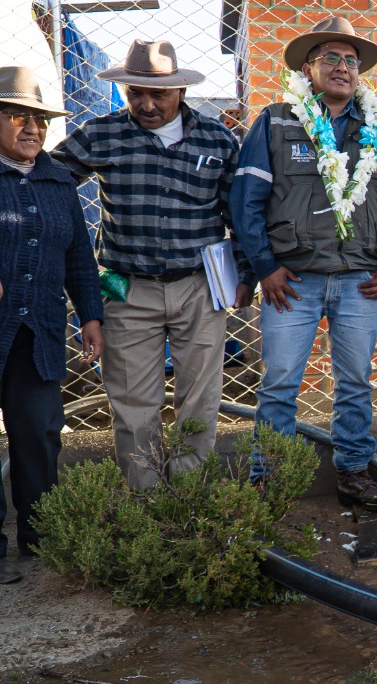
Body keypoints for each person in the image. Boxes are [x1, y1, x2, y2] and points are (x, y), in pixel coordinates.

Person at [229, 17, 377, 510]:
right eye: (330, 58)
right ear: (307, 68)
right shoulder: (277, 121)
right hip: (292, 281)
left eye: (350, 61)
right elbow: (246, 202)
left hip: (361, 280)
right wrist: (264, 267)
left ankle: (354, 474)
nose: (342, 68)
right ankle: (268, 482)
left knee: (355, 383)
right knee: (279, 384)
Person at [52, 40, 247, 489]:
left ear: (180, 91)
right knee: (133, 405)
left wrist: (246, 275)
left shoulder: (216, 139)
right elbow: (46, 180)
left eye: (158, 94)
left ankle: (188, 500)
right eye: (135, 93)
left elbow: (239, 214)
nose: (146, 105)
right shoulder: (100, 135)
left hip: (200, 287)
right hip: (127, 289)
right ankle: (148, 506)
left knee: (199, 402)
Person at [0, 67, 104, 583]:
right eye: (18, 116)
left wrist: (91, 316)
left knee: (39, 431)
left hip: (38, 329)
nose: (33, 128)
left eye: (39, 119)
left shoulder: (58, 181)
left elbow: (80, 258)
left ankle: (41, 539)